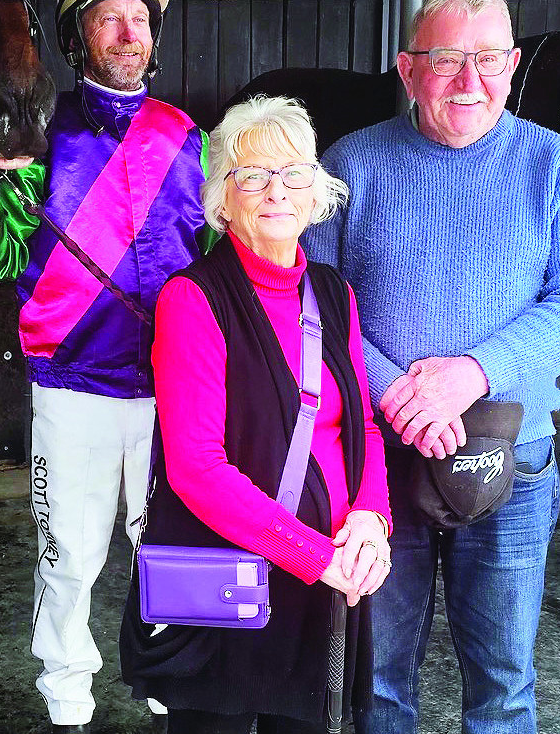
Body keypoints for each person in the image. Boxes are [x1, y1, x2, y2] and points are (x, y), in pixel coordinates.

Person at [303, 1, 560, 732]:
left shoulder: (557, 167)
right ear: (409, 70)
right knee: (376, 680)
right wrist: (399, 396)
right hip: (380, 462)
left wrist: (469, 375)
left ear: (511, 64)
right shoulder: (349, 163)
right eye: (444, 59)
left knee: (503, 682)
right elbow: (313, 304)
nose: (467, 78)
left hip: (516, 463)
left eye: (488, 58)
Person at [0, 1, 211, 731]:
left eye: (140, 19)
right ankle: (66, 697)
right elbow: (3, 256)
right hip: (73, 385)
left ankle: (174, 680)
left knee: (173, 542)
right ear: (74, 38)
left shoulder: (188, 138)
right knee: (70, 554)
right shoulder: (37, 135)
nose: (129, 35)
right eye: (109, 19)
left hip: (175, 390)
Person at [120, 95, 392, 734]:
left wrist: (371, 520)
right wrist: (315, 555)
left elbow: (363, 427)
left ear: (316, 190)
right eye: (253, 175)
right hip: (230, 581)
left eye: (293, 173)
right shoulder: (192, 299)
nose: (276, 190)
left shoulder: (333, 293)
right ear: (223, 197)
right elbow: (196, 470)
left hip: (321, 578)